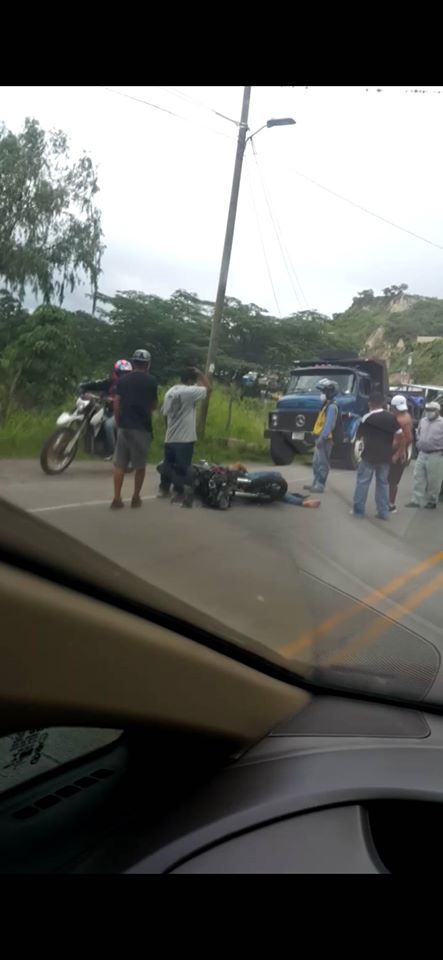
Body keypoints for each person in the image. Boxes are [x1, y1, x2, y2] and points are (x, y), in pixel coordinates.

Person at [110, 349, 158, 510]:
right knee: (140, 465)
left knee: (120, 464)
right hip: (142, 428)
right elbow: (154, 405)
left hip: (124, 426)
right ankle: (136, 497)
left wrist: (118, 420)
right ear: (148, 364)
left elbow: (116, 402)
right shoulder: (152, 381)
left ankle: (116, 498)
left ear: (134, 363)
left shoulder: (123, 381)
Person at [158, 367, 209, 502]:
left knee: (168, 464)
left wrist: (168, 429)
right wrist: (201, 374)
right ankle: (178, 491)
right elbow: (208, 389)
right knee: (182, 466)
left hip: (170, 436)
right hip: (185, 438)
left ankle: (163, 489)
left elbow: (164, 413)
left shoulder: (170, 392)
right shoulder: (190, 391)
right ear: (190, 380)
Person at [351, 392, 403, 520]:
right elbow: (400, 435)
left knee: (363, 483)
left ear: (370, 403)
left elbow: (359, 436)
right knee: (383, 484)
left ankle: (358, 511)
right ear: (383, 403)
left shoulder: (367, 417)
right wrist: (394, 450)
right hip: (385, 457)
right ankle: (383, 512)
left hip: (369, 456)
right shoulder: (391, 418)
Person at [80, 359, 133, 458]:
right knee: (91, 418)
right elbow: (97, 384)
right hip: (107, 410)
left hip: (122, 413)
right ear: (115, 372)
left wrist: (114, 400)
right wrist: (84, 386)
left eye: (126, 373)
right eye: (120, 373)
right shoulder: (111, 382)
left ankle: (114, 451)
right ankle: (96, 445)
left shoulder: (131, 386)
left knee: (108, 425)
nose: (123, 375)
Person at [304, 378, 339, 494]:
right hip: (320, 438)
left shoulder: (332, 407)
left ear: (330, 392)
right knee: (316, 463)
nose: (322, 394)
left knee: (322, 463)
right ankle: (315, 483)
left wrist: (321, 438)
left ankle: (320, 485)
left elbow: (329, 425)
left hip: (324, 439)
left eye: (324, 392)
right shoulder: (326, 405)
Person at [405, 401, 443, 510]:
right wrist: (418, 443)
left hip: (436, 454)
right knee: (418, 477)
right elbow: (418, 433)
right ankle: (415, 500)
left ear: (437, 411)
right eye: (427, 410)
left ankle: (432, 500)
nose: (429, 412)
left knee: (434, 480)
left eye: (431, 410)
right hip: (422, 453)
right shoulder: (423, 421)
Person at [388, 394, 414, 513]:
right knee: (389, 479)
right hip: (396, 451)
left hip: (397, 452)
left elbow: (408, 438)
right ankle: (388, 502)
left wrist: (399, 453)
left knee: (392, 480)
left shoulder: (402, 419)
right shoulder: (404, 416)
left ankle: (391, 504)